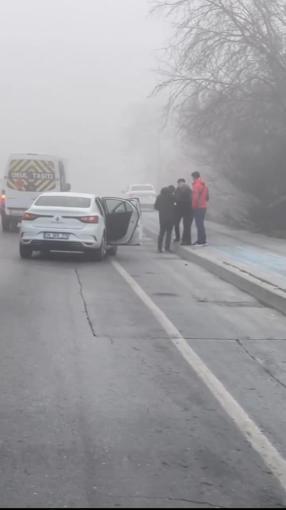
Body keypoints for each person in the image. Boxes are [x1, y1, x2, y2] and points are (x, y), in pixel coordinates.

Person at [154, 186, 176, 253]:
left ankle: (159, 248)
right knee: (169, 233)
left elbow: (156, 207)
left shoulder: (159, 197)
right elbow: (175, 205)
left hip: (162, 217)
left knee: (161, 232)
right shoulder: (172, 197)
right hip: (171, 217)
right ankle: (167, 247)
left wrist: (161, 209)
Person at [191, 171, 209, 246]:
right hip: (204, 206)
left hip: (198, 207)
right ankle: (203, 240)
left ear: (193, 177)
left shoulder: (196, 185)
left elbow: (195, 197)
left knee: (199, 224)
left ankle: (200, 241)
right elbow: (207, 197)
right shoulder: (204, 185)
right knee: (201, 224)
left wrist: (193, 207)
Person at [174, 178, 193, 246]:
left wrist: (179, 201)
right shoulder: (177, 190)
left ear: (184, 183)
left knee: (186, 226)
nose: (180, 184)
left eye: (181, 183)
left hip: (187, 210)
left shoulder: (188, 190)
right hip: (179, 209)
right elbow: (175, 198)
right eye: (179, 183)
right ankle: (178, 238)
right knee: (177, 224)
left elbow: (190, 200)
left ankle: (186, 241)